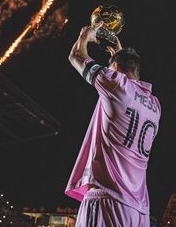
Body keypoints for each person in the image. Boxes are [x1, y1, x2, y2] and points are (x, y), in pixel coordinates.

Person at [65, 21, 161, 226]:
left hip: (108, 200)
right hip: (139, 210)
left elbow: (76, 56)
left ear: (115, 69)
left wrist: (85, 36)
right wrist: (118, 56)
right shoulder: (155, 106)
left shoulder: (117, 86)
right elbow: (127, 85)